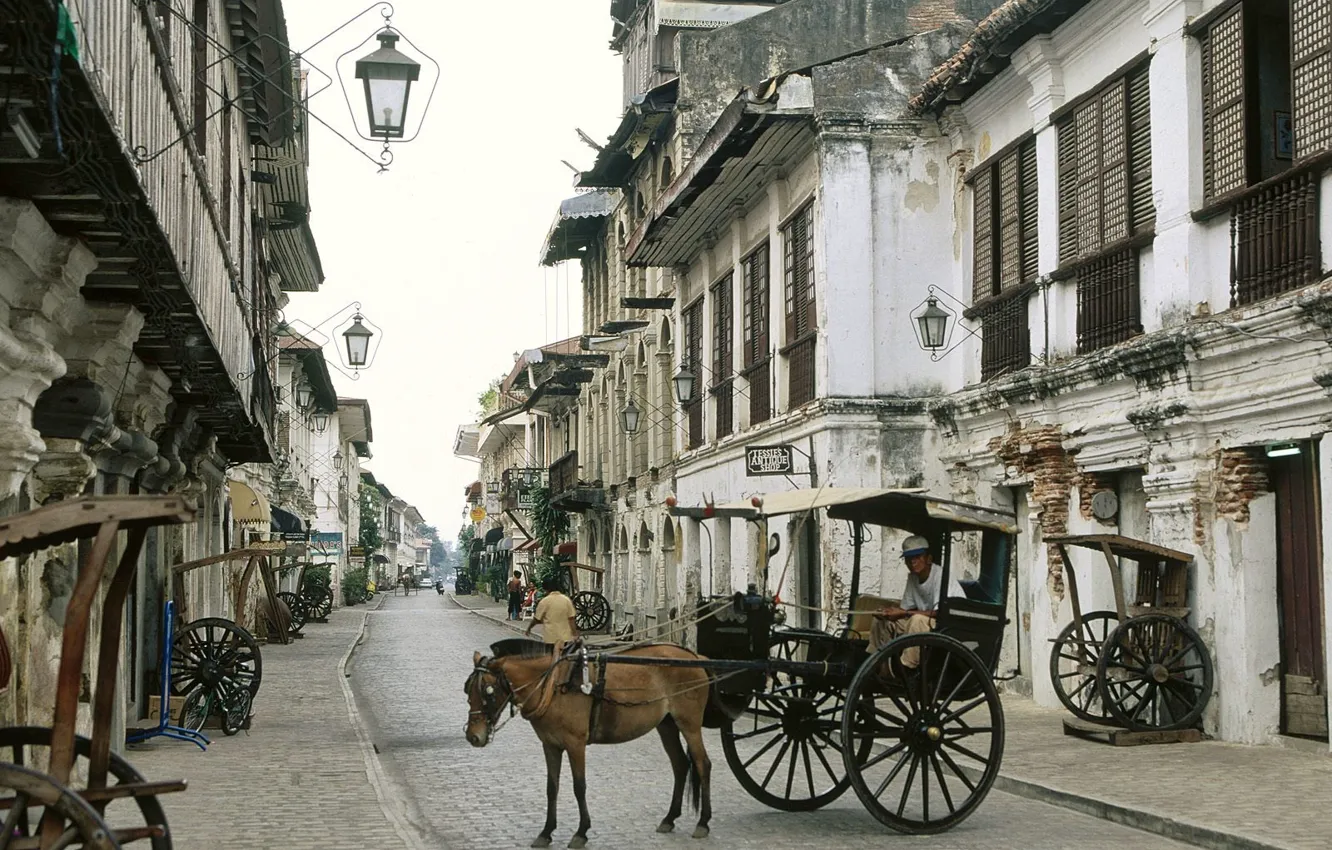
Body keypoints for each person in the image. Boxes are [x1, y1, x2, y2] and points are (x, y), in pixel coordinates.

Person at [871, 535, 965, 668]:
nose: (912, 562)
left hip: (947, 627)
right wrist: (888, 612)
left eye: (917, 557)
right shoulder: (913, 578)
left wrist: (904, 613)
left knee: (917, 620)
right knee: (883, 620)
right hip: (928, 624)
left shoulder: (940, 576)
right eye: (908, 559)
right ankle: (877, 663)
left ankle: (907, 666)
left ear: (928, 559)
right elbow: (905, 609)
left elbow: (940, 613)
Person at [525, 577, 578, 646]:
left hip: (550, 638)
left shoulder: (545, 601)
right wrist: (575, 634)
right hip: (565, 638)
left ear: (546, 589)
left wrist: (529, 628)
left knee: (550, 656)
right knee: (564, 655)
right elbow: (571, 619)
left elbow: (536, 619)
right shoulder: (566, 600)